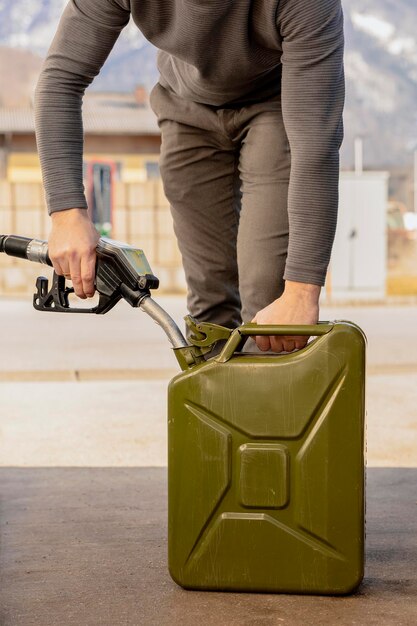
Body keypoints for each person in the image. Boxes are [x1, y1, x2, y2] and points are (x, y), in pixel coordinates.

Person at [34, 0, 344, 354]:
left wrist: (302, 292)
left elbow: (315, 146)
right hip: (186, 109)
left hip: (276, 107)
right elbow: (61, 79)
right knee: (209, 301)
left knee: (270, 305)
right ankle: (213, 405)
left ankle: (271, 402)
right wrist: (67, 212)